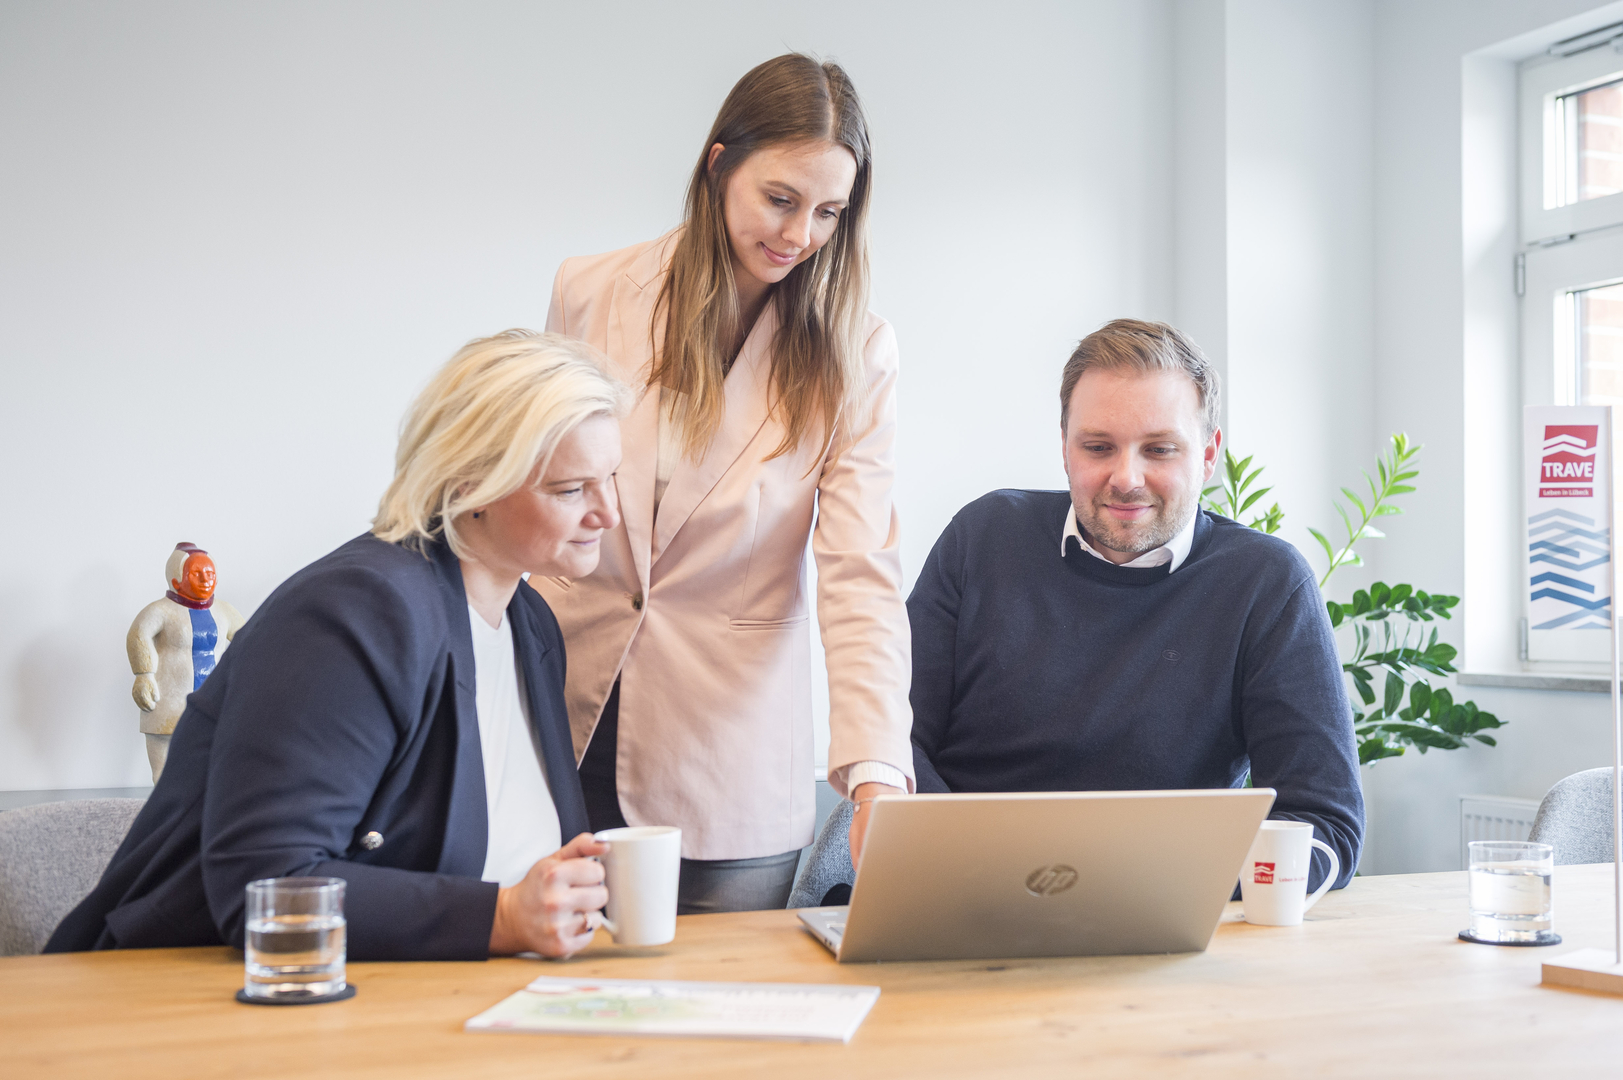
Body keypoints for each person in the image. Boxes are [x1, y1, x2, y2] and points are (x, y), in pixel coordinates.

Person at [48, 330, 632, 959]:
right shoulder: (356, 613)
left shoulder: (531, 624)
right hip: (203, 1006)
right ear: (470, 486)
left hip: (454, 1004)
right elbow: (264, 886)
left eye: (612, 478)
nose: (610, 513)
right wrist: (506, 917)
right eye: (572, 489)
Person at [540, 54, 913, 913]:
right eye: (779, 199)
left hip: (724, 761)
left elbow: (860, 570)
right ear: (718, 167)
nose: (799, 235)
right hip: (565, 710)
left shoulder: (856, 353)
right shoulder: (588, 292)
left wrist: (874, 774)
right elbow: (538, 488)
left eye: (828, 212)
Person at [907, 319, 1364, 891]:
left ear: (1208, 455)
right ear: (1066, 447)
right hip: (960, 891)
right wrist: (971, 866)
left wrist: (1158, 892)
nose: (1126, 478)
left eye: (1160, 449)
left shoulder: (1266, 583)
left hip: (1166, 915)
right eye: (1098, 447)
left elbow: (1325, 825)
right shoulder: (983, 537)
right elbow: (896, 738)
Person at [127, 542, 246, 782]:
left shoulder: (224, 611)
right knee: (163, 769)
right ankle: (163, 810)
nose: (205, 579)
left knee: (212, 760)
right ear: (176, 580)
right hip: (168, 698)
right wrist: (144, 675)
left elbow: (248, 638)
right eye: (196, 573)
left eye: (210, 573)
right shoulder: (160, 610)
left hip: (213, 699)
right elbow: (138, 635)